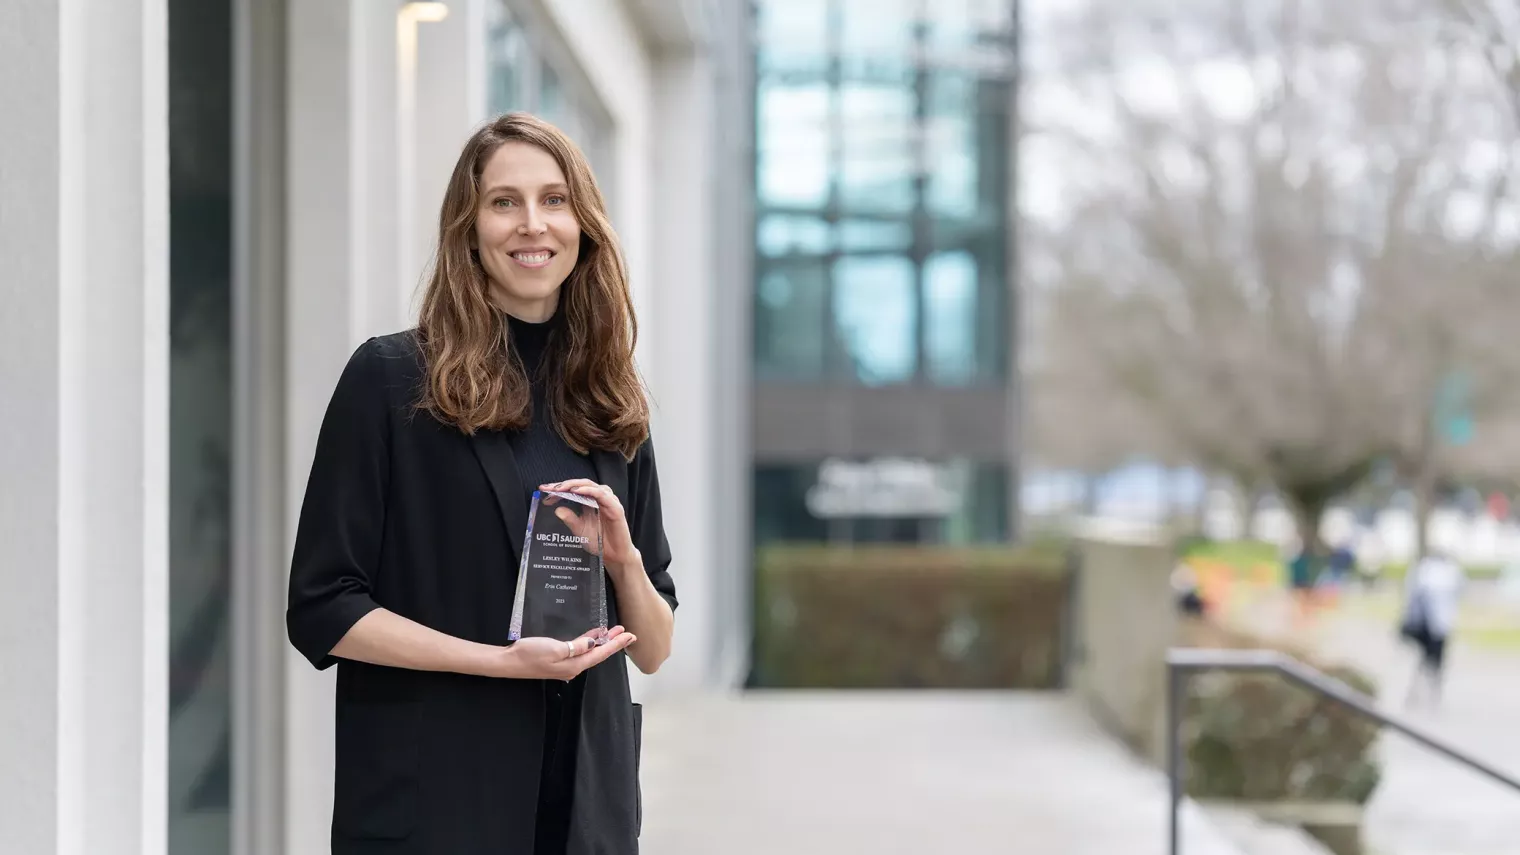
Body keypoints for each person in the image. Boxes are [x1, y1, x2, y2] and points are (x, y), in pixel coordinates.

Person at [286, 112, 678, 854]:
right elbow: (322, 608)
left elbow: (654, 648)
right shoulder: (391, 380)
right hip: (437, 803)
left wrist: (624, 560)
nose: (533, 223)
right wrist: (500, 664)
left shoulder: (608, 398)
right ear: (469, 229)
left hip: (583, 815)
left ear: (584, 225)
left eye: (554, 200)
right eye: (504, 202)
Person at [1399, 547, 1463, 709]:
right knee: (1432, 661)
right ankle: (1430, 693)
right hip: (1437, 625)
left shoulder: (1425, 571)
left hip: (1431, 624)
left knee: (1425, 660)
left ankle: (1423, 693)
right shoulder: (1448, 572)